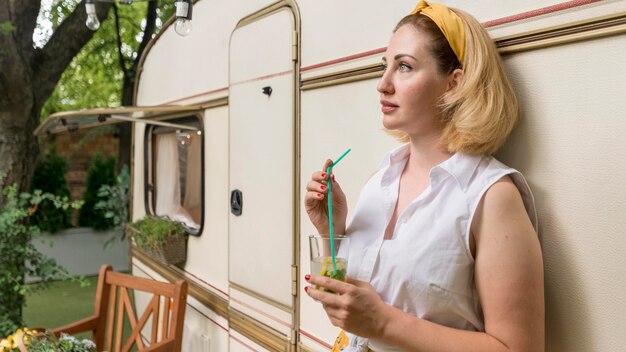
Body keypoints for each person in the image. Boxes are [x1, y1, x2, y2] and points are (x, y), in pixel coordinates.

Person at [303, 1, 544, 351]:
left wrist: (385, 323)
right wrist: (331, 229)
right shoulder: (379, 182)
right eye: (384, 66)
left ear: (454, 84)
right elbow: (354, 306)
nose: (382, 85)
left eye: (404, 67)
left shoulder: (491, 196)